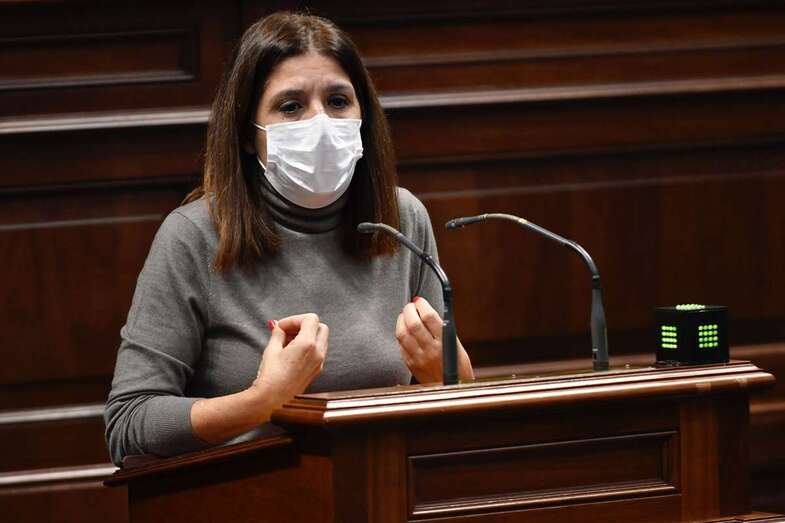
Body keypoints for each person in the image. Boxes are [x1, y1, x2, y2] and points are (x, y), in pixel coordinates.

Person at [104, 11, 474, 466]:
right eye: (291, 106)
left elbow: (455, 407)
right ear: (246, 133)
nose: (320, 122)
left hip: (382, 493)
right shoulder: (192, 236)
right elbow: (128, 426)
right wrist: (262, 400)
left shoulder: (401, 220)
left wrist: (447, 379)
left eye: (338, 101)